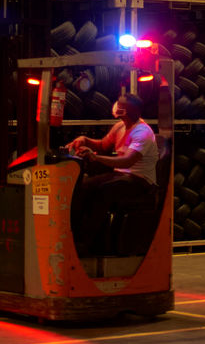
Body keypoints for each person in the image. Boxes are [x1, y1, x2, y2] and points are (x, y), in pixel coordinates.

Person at [66, 92, 158, 257]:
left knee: (102, 192)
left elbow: (128, 161)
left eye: (120, 104)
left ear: (129, 111)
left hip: (139, 181)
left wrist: (95, 157)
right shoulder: (120, 126)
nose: (116, 105)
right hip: (121, 175)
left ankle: (85, 243)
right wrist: (85, 140)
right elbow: (103, 144)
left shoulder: (142, 133)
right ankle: (73, 236)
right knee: (83, 186)